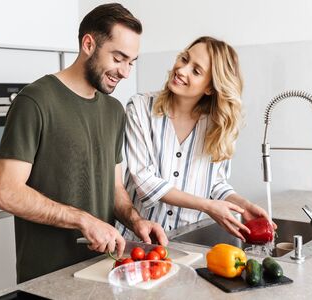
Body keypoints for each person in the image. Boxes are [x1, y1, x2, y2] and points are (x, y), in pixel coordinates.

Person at [0, 3, 167, 283]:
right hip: (46, 279)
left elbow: (114, 188)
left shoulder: (114, 111)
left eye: (131, 62)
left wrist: (136, 222)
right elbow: (6, 192)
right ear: (89, 44)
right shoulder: (35, 101)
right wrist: (83, 220)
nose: (125, 72)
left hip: (104, 270)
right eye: (118, 58)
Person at [116, 36, 275, 242]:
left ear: (210, 87)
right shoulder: (140, 108)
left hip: (186, 242)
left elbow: (215, 184)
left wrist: (242, 205)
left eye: (196, 70)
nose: (181, 70)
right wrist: (206, 206)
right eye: (184, 59)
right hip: (136, 239)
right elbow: (144, 180)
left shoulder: (220, 124)